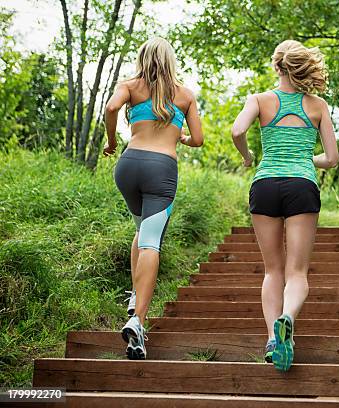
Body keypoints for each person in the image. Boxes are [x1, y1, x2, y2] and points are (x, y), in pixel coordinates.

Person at [231, 40, 339, 371]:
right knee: (297, 271)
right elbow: (332, 158)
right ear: (301, 68)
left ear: (277, 67)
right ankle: (287, 318)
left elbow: (237, 130)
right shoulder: (317, 105)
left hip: (264, 185)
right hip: (302, 186)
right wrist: (307, 159)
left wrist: (248, 156)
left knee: (272, 270)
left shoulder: (260, 100)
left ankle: (272, 339)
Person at [103, 37, 203, 360]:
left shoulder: (130, 85)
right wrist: (180, 136)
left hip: (128, 167)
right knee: (151, 242)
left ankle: (134, 296)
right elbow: (199, 139)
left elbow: (110, 108)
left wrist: (110, 142)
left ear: (143, 58)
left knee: (142, 230)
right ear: (171, 60)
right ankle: (138, 321)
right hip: (161, 170)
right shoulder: (185, 95)